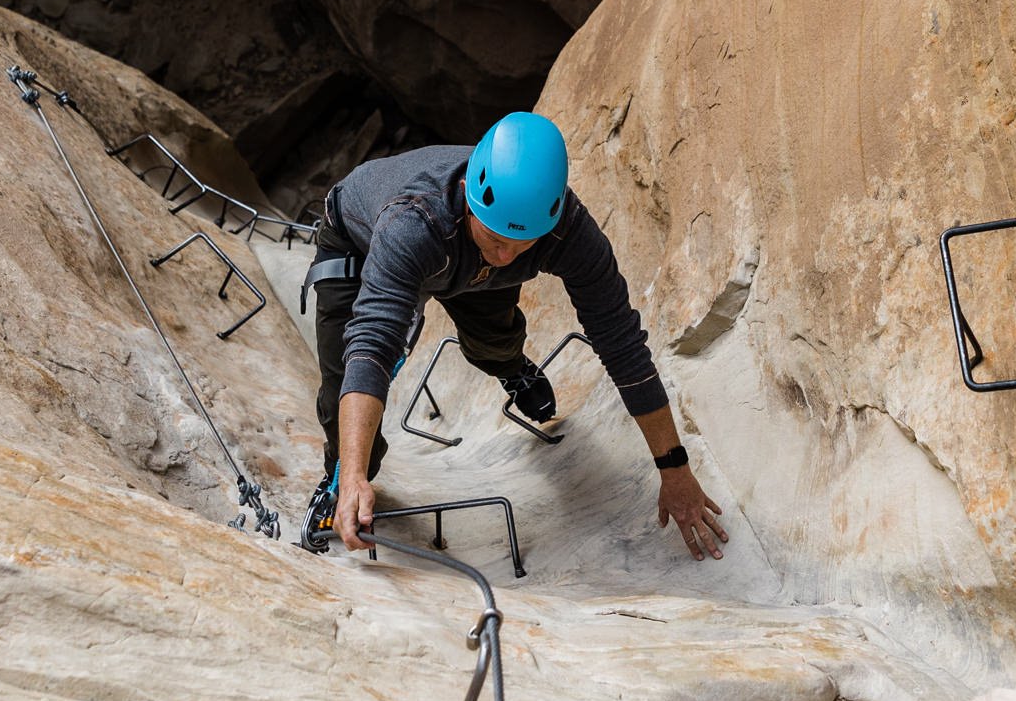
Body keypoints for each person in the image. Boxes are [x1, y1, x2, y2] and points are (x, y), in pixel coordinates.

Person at [299, 111, 729, 560]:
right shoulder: (413, 222)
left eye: (521, 244)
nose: (505, 256)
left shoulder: (563, 230)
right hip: (360, 243)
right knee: (343, 391)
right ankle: (339, 483)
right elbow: (371, 344)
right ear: (470, 196)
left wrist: (674, 468)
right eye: (497, 236)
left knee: (496, 342)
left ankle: (510, 366)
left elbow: (621, 343)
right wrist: (352, 475)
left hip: (463, 259)